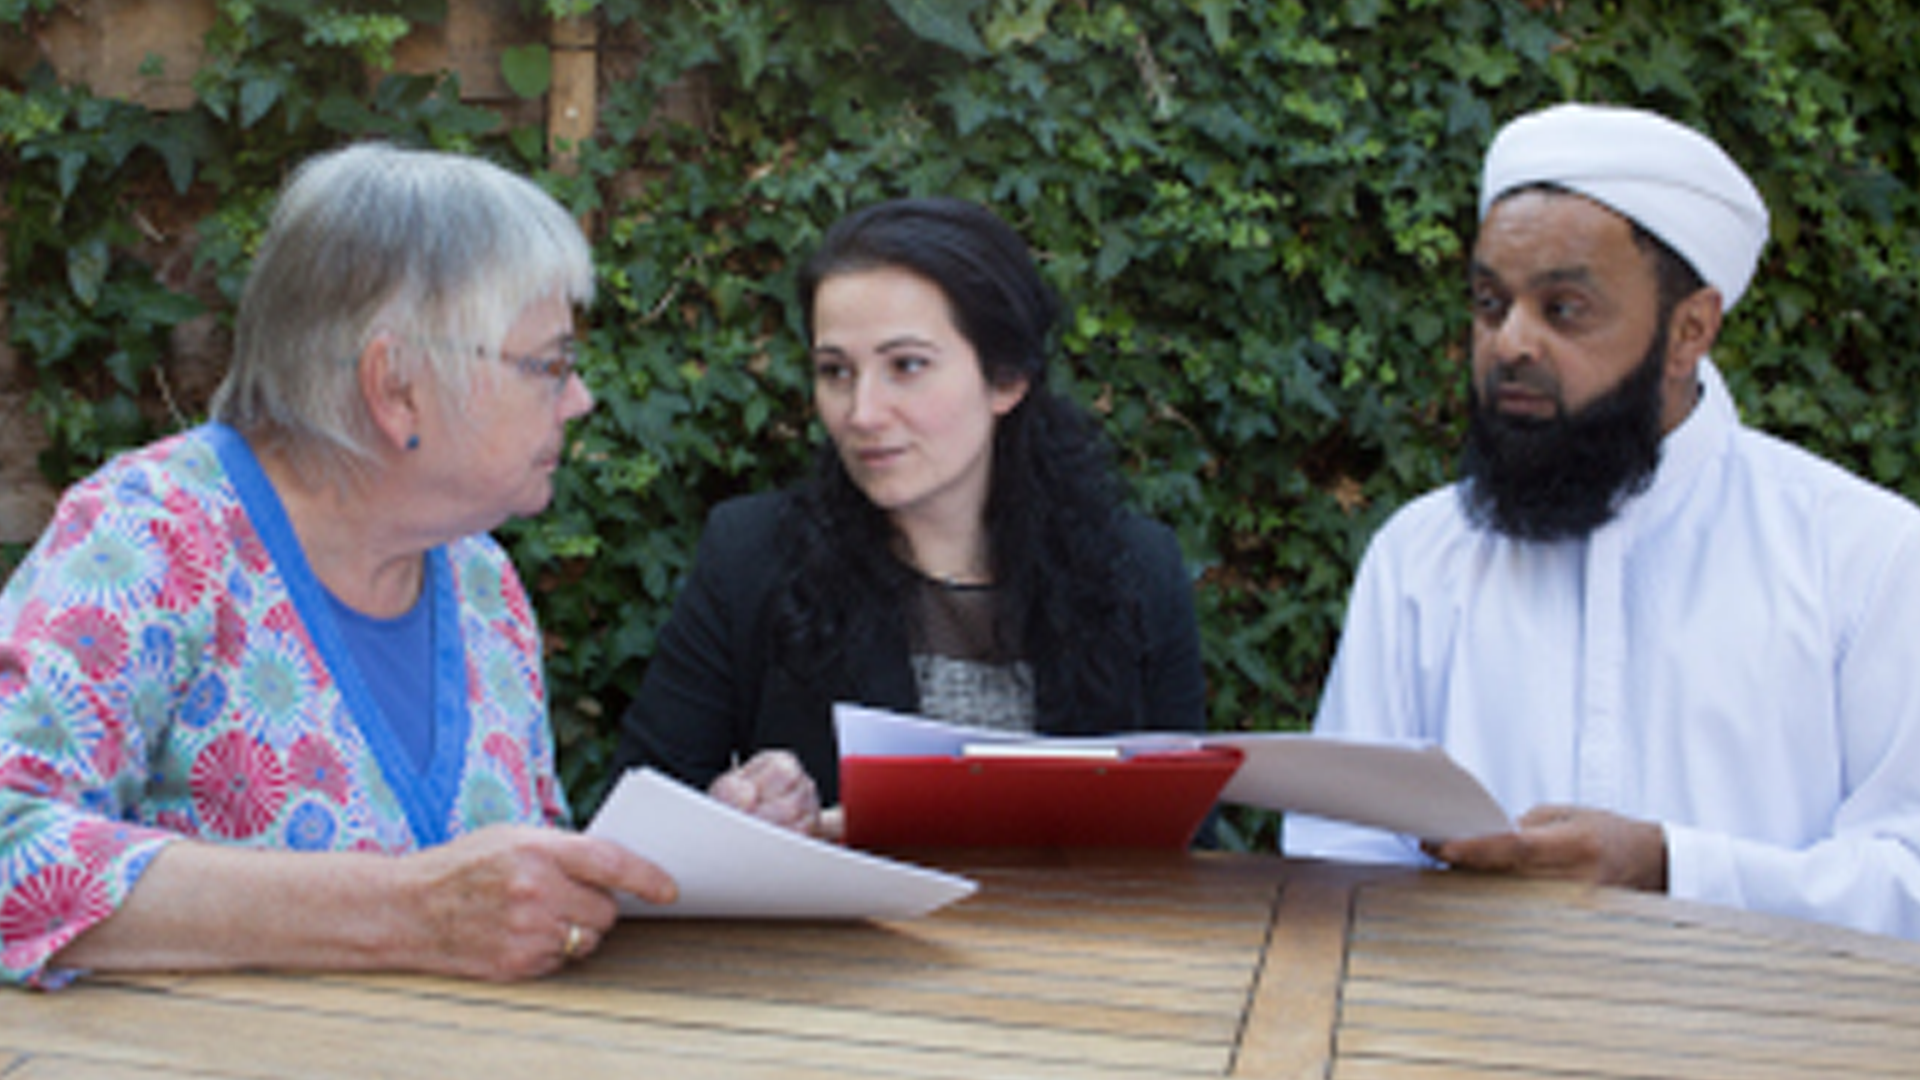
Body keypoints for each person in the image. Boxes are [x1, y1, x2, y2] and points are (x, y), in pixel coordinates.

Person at [0, 143, 677, 989]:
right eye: (548, 363)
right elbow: (10, 843)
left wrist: (686, 863)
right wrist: (409, 913)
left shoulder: (480, 583)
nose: (578, 399)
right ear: (395, 387)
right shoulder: (153, 539)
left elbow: (520, 899)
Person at [1284, 103, 1920, 939]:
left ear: (1690, 330)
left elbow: (1905, 876)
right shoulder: (1420, 555)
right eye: (1489, 303)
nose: (1510, 342)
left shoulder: (1864, 555)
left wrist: (1669, 869)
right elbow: (1339, 853)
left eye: (1564, 309)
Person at [612, 197, 1208, 833]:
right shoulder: (752, 558)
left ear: (1005, 378)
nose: (862, 412)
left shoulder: (1137, 571)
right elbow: (638, 825)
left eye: (908, 365)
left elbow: (1187, 840)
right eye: (835, 371)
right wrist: (730, 814)